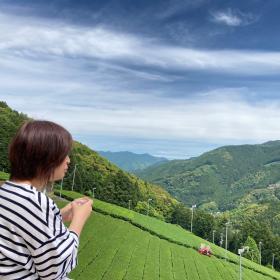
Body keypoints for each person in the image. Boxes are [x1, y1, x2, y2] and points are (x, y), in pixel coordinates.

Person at [0, 120, 93, 279]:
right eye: (64, 155)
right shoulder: (33, 202)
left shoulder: (7, 192)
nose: (68, 160)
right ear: (46, 158)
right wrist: (79, 219)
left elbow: (26, 231)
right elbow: (56, 269)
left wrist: (60, 215)